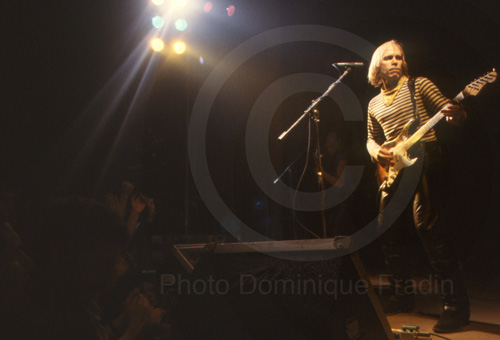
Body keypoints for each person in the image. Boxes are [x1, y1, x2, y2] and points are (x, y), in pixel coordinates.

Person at [366, 40, 469, 333]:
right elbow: (370, 139)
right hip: (397, 167)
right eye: (389, 57)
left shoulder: (420, 85)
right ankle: (402, 295)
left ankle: (455, 306)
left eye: (399, 57)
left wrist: (457, 114)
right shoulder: (373, 103)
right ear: (378, 67)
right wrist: (378, 152)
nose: (396, 61)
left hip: (427, 157)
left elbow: (450, 111)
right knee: (386, 227)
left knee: (427, 227)